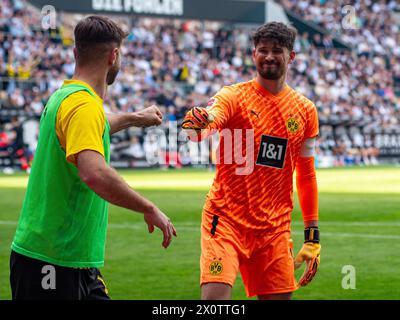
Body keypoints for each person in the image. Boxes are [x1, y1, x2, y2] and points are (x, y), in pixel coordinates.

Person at [10, 16, 177, 300]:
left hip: (74, 261)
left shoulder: (65, 96)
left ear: (76, 53)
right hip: (51, 261)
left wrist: (135, 118)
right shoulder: (84, 106)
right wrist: (148, 207)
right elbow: (94, 173)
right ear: (114, 56)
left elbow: (95, 125)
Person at [182, 22, 320, 300]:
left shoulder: (305, 111)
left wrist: (312, 236)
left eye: (277, 51)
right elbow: (207, 122)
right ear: (253, 54)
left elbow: (306, 175)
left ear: (291, 56)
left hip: (274, 229)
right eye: (262, 50)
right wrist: (198, 125)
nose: (269, 56)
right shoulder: (233, 96)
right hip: (226, 221)